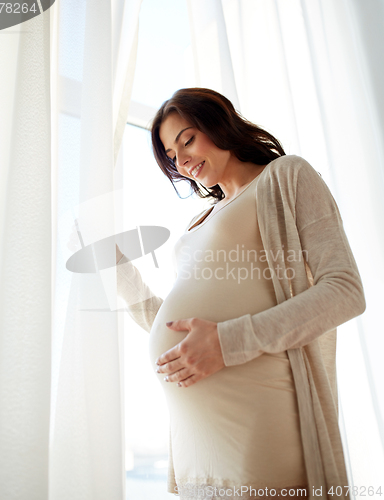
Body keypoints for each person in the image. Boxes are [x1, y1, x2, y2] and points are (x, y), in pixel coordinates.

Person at [116, 88, 366, 500]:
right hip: (199, 449)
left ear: (219, 124)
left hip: (259, 429)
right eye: (171, 154)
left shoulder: (286, 177)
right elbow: (180, 326)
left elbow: (344, 291)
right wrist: (120, 275)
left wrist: (227, 343)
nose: (181, 160)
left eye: (187, 139)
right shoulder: (199, 222)